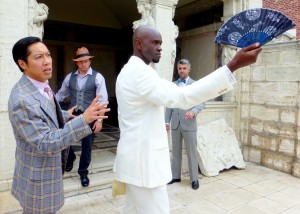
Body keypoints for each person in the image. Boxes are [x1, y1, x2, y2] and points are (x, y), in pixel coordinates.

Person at [113, 25, 261, 214]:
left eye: (161, 43)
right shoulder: (139, 73)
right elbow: (182, 98)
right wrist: (232, 66)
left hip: (136, 162)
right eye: (155, 43)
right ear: (139, 44)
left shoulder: (132, 70)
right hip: (145, 166)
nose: (160, 47)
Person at [8, 36, 109, 214]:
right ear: (22, 64)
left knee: (87, 148)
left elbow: (44, 112)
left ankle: (82, 172)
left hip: (51, 167)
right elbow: (45, 142)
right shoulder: (21, 99)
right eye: (39, 57)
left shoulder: (40, 85)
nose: (47, 61)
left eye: (48, 55)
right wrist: (82, 119)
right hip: (38, 178)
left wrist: (65, 114)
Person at [56, 47, 108, 187]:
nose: (83, 64)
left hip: (90, 115)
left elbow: (102, 100)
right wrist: (50, 103)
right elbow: (61, 94)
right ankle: (70, 157)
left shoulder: (98, 77)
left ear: (90, 61)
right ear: (76, 63)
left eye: (85, 61)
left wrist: (99, 120)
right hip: (73, 113)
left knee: (87, 145)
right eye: (80, 62)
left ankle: (83, 172)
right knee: (65, 139)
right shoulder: (70, 77)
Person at [165, 59, 204, 190]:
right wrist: (166, 121)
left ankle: (194, 179)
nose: (181, 70)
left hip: (189, 123)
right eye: (179, 68)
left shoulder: (195, 84)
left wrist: (193, 112)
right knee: (175, 152)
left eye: (184, 68)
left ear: (189, 69)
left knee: (191, 152)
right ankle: (175, 176)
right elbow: (169, 104)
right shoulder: (173, 85)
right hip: (175, 123)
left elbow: (201, 102)